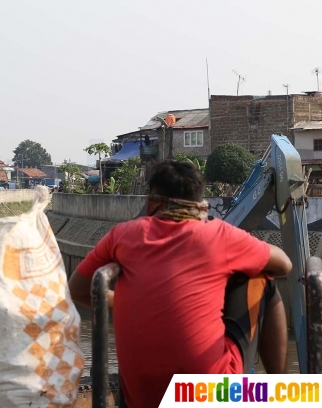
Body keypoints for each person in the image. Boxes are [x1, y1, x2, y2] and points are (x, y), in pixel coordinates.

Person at [68, 160, 292, 408]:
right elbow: (284, 265)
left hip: (141, 400)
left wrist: (126, 301)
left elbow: (77, 289)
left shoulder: (122, 235)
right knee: (262, 279)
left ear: (152, 202)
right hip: (207, 396)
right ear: (199, 201)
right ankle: (281, 394)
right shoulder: (218, 234)